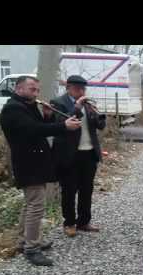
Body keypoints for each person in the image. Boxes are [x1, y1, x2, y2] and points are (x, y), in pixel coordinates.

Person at [0, 76, 81, 266]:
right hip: (29, 165)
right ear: (19, 89)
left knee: (30, 204)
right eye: (32, 89)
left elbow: (40, 126)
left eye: (37, 89)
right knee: (36, 206)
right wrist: (64, 126)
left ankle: (24, 240)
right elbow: (34, 130)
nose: (36, 93)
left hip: (36, 163)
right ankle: (31, 248)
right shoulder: (13, 109)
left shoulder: (26, 106)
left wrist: (46, 115)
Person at [50, 75, 106, 237]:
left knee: (86, 190)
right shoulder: (58, 102)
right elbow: (60, 122)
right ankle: (69, 223)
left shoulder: (88, 104)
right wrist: (77, 106)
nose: (81, 91)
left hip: (89, 153)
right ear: (68, 88)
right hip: (69, 155)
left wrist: (99, 115)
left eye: (83, 89)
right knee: (69, 191)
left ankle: (84, 222)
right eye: (77, 88)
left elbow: (100, 126)